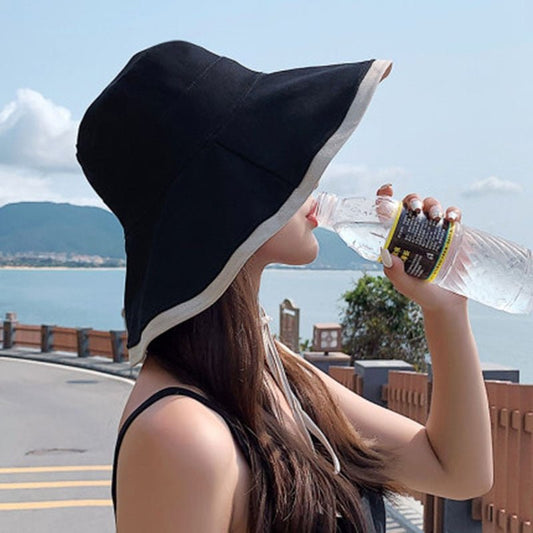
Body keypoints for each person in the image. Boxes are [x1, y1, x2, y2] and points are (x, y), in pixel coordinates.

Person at [76, 41, 493, 532]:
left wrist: (445, 309)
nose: (313, 180)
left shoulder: (272, 372)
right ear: (230, 200)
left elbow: (458, 471)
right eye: (285, 157)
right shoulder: (182, 435)